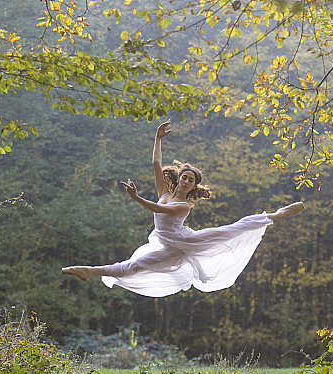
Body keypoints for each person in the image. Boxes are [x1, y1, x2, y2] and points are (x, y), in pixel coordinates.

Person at [61, 120, 304, 297]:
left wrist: (136, 197)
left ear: (193, 186)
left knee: (233, 229)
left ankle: (275, 214)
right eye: (184, 177)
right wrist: (157, 138)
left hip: (187, 241)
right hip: (169, 246)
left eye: (191, 180)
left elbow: (155, 208)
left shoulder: (182, 207)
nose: (187, 181)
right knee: (132, 267)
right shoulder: (165, 193)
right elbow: (156, 164)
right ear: (178, 179)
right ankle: (86, 271)